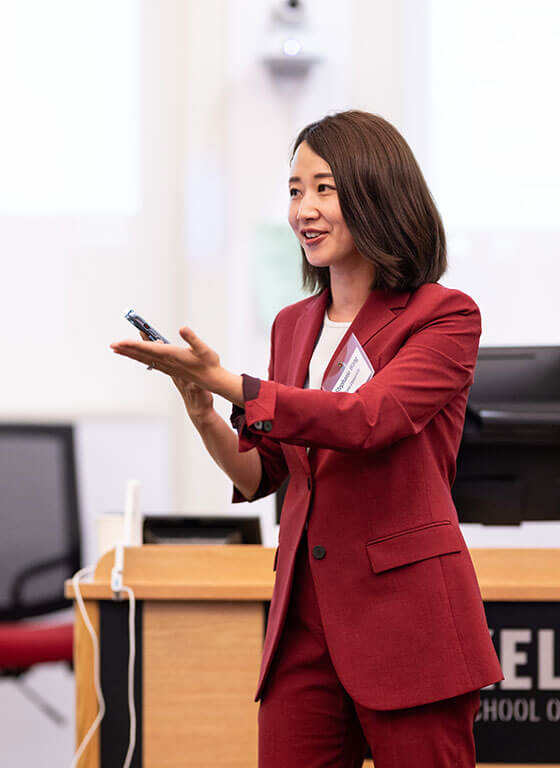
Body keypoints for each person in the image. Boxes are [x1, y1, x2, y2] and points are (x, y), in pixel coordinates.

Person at [111, 110, 502, 767]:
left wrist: (234, 384)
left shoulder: (445, 315)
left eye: (325, 188)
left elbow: (365, 419)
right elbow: (263, 475)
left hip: (406, 620)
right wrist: (204, 407)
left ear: (378, 193)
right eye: (294, 191)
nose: (304, 210)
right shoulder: (294, 324)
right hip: (302, 624)